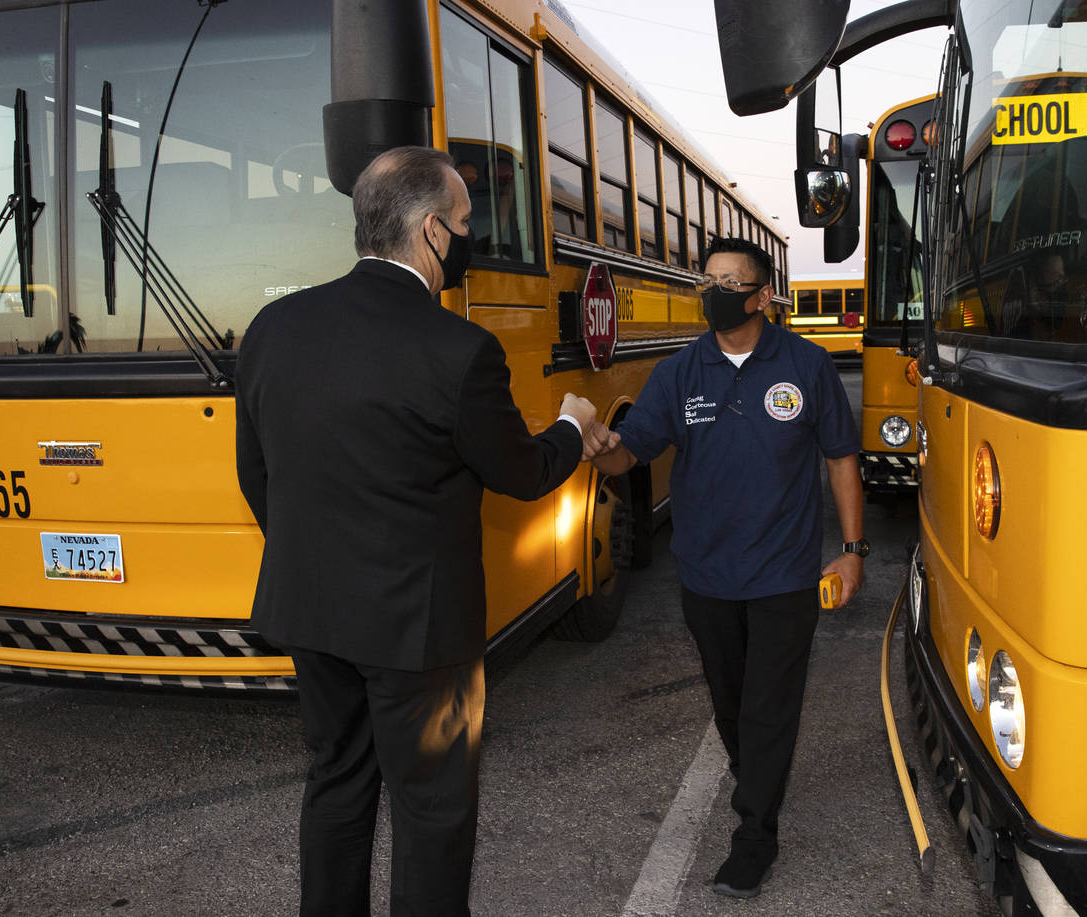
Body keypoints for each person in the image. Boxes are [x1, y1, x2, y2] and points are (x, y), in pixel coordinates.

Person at [235, 145, 597, 917]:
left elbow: (257, 476)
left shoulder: (273, 327)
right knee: (432, 812)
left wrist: (319, 555)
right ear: (433, 231)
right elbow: (522, 472)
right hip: (422, 633)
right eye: (466, 222)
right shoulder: (459, 350)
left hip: (312, 610)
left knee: (335, 786)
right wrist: (571, 423)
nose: (469, 237)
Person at [585, 236, 864, 899]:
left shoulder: (807, 366)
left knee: (769, 709)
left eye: (729, 281)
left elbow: (841, 458)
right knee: (734, 706)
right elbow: (633, 454)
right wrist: (599, 447)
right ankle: (757, 781)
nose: (713, 291)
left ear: (762, 294)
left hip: (784, 575)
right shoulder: (681, 372)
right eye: (706, 279)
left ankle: (754, 837)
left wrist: (852, 551)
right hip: (707, 577)